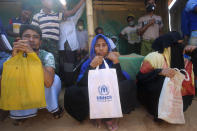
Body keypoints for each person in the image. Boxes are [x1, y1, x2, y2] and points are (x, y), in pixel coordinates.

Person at [64, 34, 138, 130]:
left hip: (109, 94)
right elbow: (81, 84)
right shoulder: (88, 62)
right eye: (97, 45)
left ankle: (111, 116)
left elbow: (121, 80)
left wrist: (116, 63)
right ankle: (96, 114)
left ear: (108, 47)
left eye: (104, 45)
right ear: (93, 48)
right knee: (72, 91)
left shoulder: (113, 60)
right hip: (95, 94)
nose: (101, 48)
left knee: (128, 85)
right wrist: (91, 67)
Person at [0, 24, 62, 125]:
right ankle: (22, 112)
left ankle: (53, 108)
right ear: (19, 39)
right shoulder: (14, 55)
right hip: (27, 90)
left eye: (36, 37)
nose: (31, 40)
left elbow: (49, 82)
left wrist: (32, 56)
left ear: (40, 42)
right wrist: (14, 60)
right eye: (27, 36)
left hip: (42, 86)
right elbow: (4, 85)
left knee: (55, 79)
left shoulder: (46, 55)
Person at [137, 31, 197, 122]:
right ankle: (157, 112)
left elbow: (194, 74)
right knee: (164, 79)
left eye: (181, 44)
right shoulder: (154, 57)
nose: (180, 47)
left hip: (178, 98)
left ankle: (173, 111)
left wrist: (195, 53)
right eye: (176, 44)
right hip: (154, 96)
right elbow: (141, 78)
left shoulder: (184, 59)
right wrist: (159, 72)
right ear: (167, 46)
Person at [32, 0, 86, 73]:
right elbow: (33, 32)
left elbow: (72, 12)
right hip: (42, 43)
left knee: (54, 65)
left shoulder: (57, 16)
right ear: (43, 2)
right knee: (41, 62)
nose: (51, 2)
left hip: (54, 44)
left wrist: (83, 1)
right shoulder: (37, 16)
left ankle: (57, 81)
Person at [58, 2, 86, 86]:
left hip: (71, 47)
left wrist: (83, 2)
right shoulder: (57, 20)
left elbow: (79, 11)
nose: (65, 12)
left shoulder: (72, 20)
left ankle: (70, 84)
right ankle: (65, 82)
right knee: (62, 66)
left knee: (70, 66)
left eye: (66, 10)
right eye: (63, 10)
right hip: (61, 47)